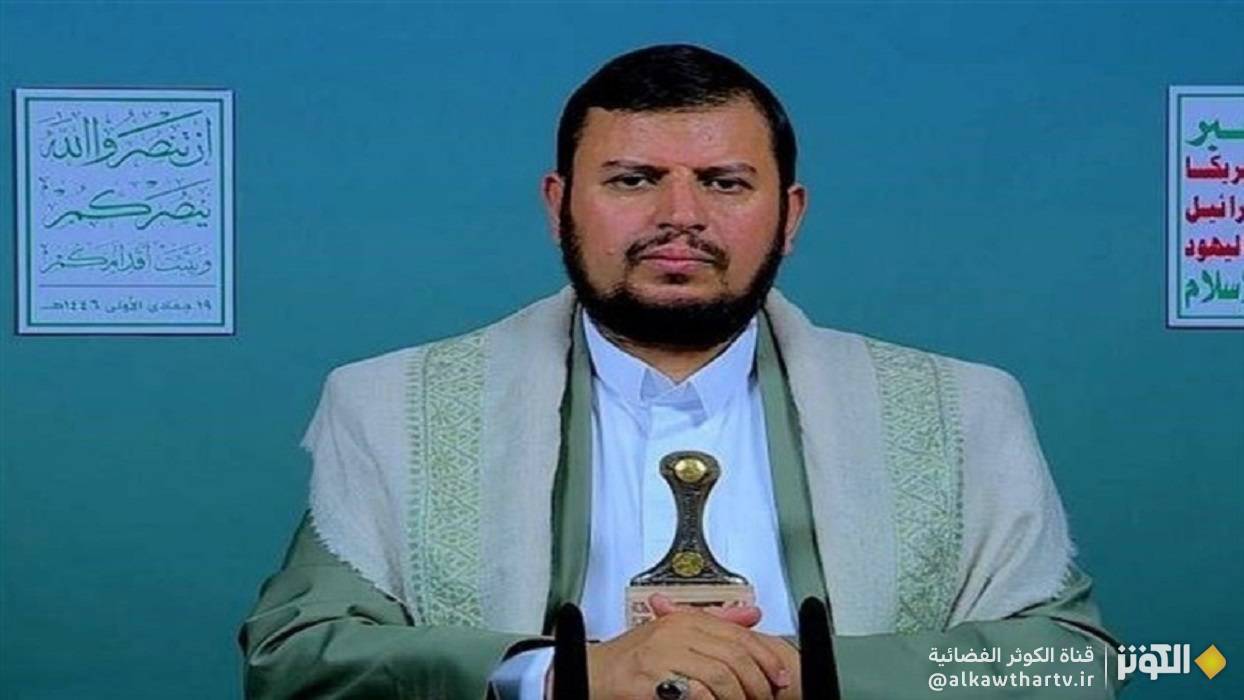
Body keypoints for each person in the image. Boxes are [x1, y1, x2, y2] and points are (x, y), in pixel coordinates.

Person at [239, 44, 1122, 699]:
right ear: (558, 206)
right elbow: (296, 660)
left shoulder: (959, 409)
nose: (680, 215)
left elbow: (1066, 664)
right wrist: (566, 677)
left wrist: (796, 674)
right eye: (633, 180)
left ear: (790, 215)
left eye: (725, 182)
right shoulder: (396, 405)